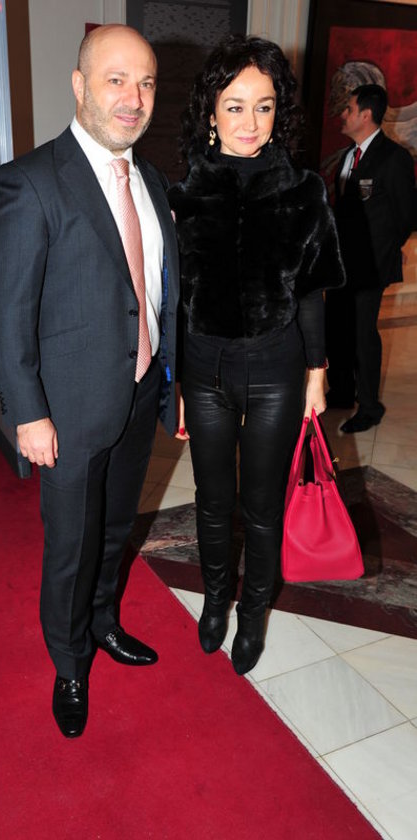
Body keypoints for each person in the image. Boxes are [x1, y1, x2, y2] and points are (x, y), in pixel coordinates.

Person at [0, 24, 179, 738]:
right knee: (71, 544)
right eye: (115, 80)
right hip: (66, 410)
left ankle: (103, 622)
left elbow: (158, 295)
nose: (133, 98)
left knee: (114, 529)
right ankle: (69, 664)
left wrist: (171, 382)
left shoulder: (151, 180)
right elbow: (8, 314)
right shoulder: (29, 181)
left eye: (146, 83)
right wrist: (27, 413)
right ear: (79, 85)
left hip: (138, 392)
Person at [168, 35, 345, 675]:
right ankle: (216, 600)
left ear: (280, 112)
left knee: (262, 507)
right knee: (212, 499)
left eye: (264, 106)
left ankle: (253, 614)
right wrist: (177, 383)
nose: (250, 122)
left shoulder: (305, 191)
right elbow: (174, 300)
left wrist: (316, 374)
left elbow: (311, 293)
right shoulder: (182, 195)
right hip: (204, 371)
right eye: (235, 106)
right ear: (211, 112)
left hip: (276, 371)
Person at [326, 83, 415, 433]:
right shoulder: (348, 156)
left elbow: (407, 215)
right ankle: (341, 391)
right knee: (337, 327)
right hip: (341, 263)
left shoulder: (393, 158)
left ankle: (369, 406)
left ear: (365, 114)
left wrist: (386, 249)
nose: (342, 115)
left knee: (362, 334)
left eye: (348, 109)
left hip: (371, 265)